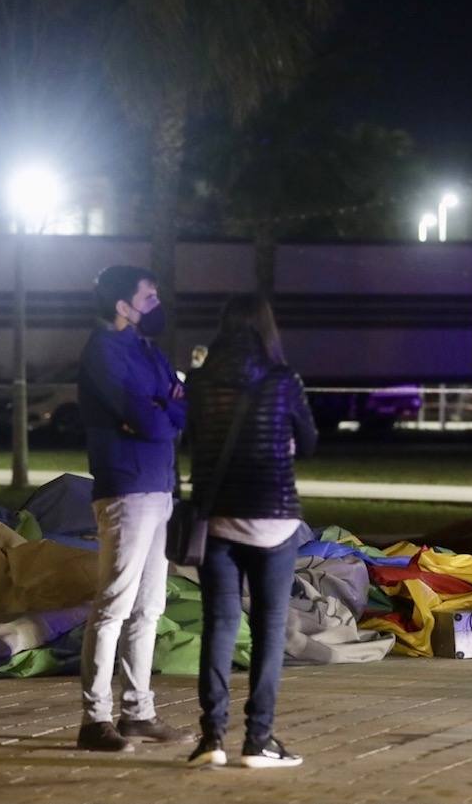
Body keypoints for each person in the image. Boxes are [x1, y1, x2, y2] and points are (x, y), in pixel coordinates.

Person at [185, 295, 317, 769]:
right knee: (267, 630)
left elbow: (192, 440)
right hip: (275, 520)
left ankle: (211, 738)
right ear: (266, 329)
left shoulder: (200, 381)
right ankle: (258, 739)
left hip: (219, 519)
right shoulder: (284, 381)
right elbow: (312, 441)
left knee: (219, 628)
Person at [75, 265, 193, 752]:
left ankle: (137, 713)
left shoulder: (148, 349)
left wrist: (164, 408)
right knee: (114, 606)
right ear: (123, 306)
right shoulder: (103, 351)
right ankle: (94, 718)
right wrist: (161, 409)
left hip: (159, 487)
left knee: (149, 608)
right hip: (125, 488)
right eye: (149, 296)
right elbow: (150, 419)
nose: (157, 303)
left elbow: (181, 410)